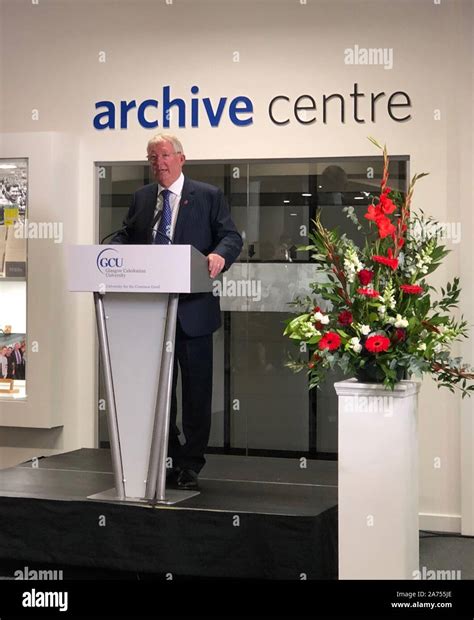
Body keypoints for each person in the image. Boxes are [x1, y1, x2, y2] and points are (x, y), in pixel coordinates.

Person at [112, 133, 242, 490]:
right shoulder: (142, 198)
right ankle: (165, 459)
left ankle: (191, 463)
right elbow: (126, 235)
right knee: (159, 393)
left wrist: (219, 255)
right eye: (152, 157)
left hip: (193, 312)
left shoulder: (208, 195)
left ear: (182, 159)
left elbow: (231, 237)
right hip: (150, 313)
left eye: (165, 155)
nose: (159, 163)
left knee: (196, 393)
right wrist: (109, 252)